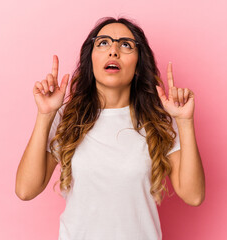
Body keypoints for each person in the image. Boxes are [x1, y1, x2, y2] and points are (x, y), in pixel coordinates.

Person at [15, 17, 205, 240]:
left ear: (137, 65)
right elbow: (25, 190)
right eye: (103, 42)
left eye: (125, 44)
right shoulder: (67, 116)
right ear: (91, 59)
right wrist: (45, 115)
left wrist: (184, 122)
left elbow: (193, 195)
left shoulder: (159, 119)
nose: (113, 50)